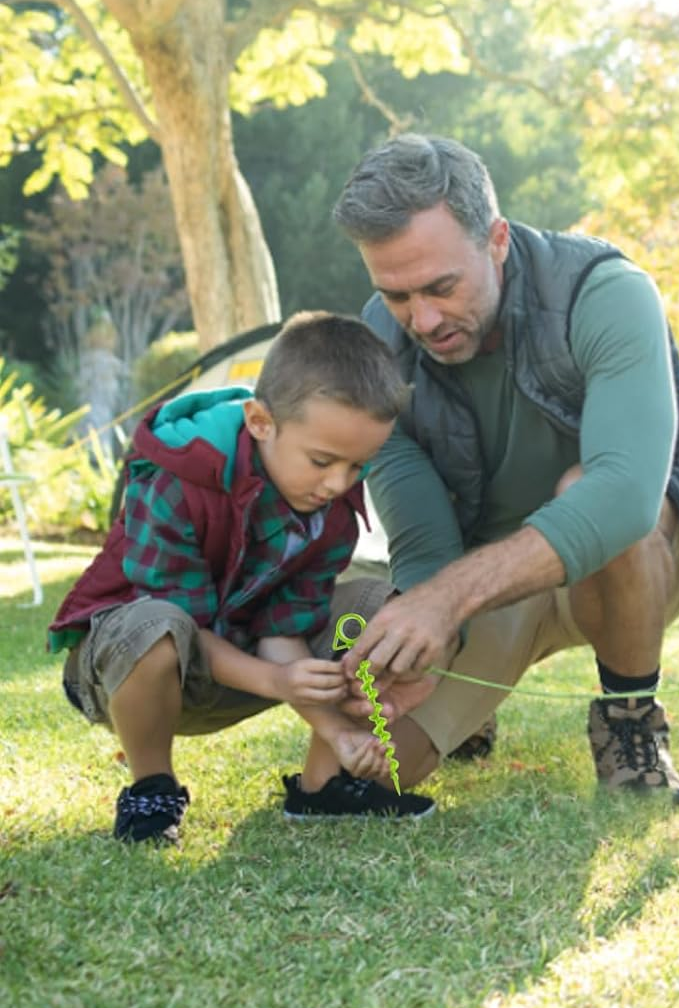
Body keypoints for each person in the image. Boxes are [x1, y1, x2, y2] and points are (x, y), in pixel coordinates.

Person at [331, 134, 679, 804]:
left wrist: (447, 600)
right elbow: (421, 534)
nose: (423, 319)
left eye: (441, 287)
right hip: (485, 583)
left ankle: (630, 718)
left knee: (593, 495)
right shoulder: (382, 341)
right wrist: (435, 635)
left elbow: (624, 497)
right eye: (397, 295)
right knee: (364, 779)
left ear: (496, 240)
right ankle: (473, 700)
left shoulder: (606, 293)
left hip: (628, 565)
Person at [49, 311, 435, 844]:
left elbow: (284, 628)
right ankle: (151, 789)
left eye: (357, 466)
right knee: (157, 624)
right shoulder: (177, 479)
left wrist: (336, 730)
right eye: (322, 460)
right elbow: (180, 623)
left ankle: (324, 783)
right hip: (128, 672)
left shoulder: (331, 508)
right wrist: (277, 681)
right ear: (260, 422)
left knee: (377, 606)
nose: (337, 483)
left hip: (240, 667)